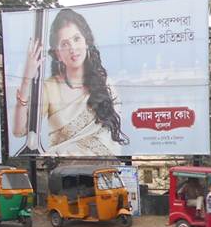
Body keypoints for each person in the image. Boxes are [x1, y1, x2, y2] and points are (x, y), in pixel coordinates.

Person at [12, 8, 129, 156]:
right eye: (65, 44)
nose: (73, 48)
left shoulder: (105, 85)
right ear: (57, 54)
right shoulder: (49, 87)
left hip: (102, 171)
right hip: (63, 174)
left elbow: (112, 141)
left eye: (76, 39)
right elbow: (19, 131)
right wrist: (26, 79)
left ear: (86, 42)